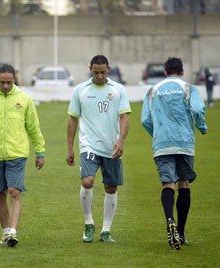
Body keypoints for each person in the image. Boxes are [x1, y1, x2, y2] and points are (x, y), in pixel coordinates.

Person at [0, 64, 45, 247]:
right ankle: (5, 230)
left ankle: (13, 231)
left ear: (15, 80)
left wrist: (40, 151)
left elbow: (33, 127)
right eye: (2, 82)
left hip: (17, 154)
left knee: (14, 192)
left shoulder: (24, 99)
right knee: (0, 193)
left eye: (9, 82)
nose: (6, 86)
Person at [141, 57, 207, 250]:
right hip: (184, 142)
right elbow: (198, 108)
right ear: (182, 71)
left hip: (162, 143)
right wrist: (201, 127)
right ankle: (181, 231)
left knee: (167, 184)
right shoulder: (188, 88)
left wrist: (158, 135)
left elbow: (145, 119)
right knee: (184, 184)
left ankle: (170, 219)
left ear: (165, 72)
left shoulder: (153, 90)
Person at [67, 55, 131, 243]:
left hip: (111, 146)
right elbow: (72, 119)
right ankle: (88, 223)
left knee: (111, 187)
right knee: (87, 182)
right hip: (89, 145)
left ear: (108, 69)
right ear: (90, 69)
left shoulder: (118, 89)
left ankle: (106, 231)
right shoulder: (81, 90)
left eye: (103, 72)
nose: (100, 76)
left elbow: (125, 116)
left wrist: (121, 141)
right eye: (96, 72)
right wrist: (70, 147)